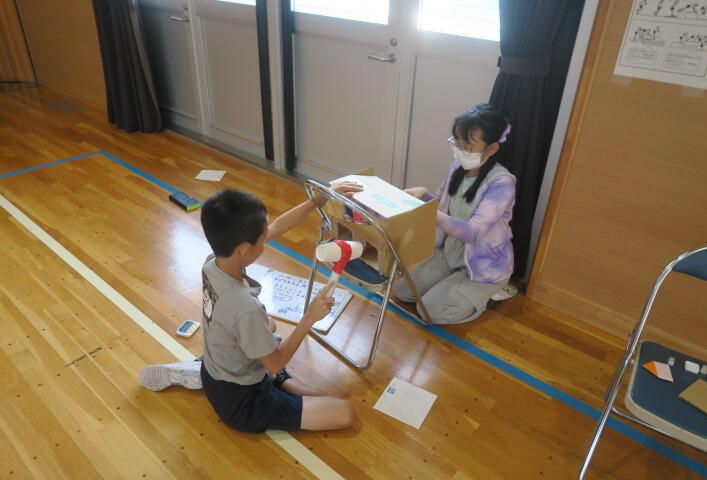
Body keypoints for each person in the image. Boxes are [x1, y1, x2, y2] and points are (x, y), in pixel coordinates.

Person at [141, 181, 363, 433]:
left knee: (269, 325)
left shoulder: (212, 262)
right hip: (243, 402)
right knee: (344, 412)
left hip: (216, 371)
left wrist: (317, 202)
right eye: (262, 238)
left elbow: (277, 226)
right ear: (245, 250)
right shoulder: (245, 307)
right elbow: (276, 362)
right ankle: (272, 381)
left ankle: (248, 375)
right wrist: (309, 317)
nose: (267, 238)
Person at [394, 103, 517, 325]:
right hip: (450, 252)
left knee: (429, 311)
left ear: (491, 149)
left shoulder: (502, 183)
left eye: (467, 147)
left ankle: (489, 293)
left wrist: (429, 212)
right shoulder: (456, 167)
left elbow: (473, 232)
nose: (459, 151)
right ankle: (451, 284)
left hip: (482, 264)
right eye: (457, 143)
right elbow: (443, 205)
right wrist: (425, 195)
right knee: (402, 291)